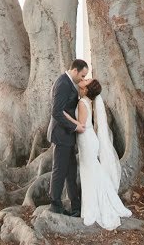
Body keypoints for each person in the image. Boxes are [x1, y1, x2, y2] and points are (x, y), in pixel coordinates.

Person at [64, 77, 132, 229]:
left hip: (86, 140)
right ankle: (101, 201)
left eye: (87, 80)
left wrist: (66, 117)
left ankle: (94, 207)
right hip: (89, 140)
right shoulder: (87, 101)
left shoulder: (82, 103)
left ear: (87, 89)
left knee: (90, 173)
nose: (84, 79)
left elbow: (81, 126)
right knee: (92, 172)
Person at [48, 58, 88, 216]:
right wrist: (75, 126)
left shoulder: (70, 82)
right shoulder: (63, 83)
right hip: (61, 135)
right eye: (82, 75)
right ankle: (55, 204)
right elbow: (56, 112)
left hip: (68, 136)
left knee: (71, 171)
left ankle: (76, 206)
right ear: (75, 70)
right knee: (59, 170)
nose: (83, 79)